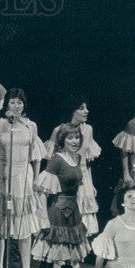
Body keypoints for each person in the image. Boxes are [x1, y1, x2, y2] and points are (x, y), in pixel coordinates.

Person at [0, 88, 45, 268]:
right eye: (13, 102)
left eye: (20, 102)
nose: (16, 106)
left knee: (24, 225)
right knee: (0, 226)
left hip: (23, 175)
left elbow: (36, 154)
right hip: (3, 174)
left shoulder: (30, 125)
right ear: (6, 104)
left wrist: (35, 178)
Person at [32, 125, 93, 268]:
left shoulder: (78, 158)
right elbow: (43, 192)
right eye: (70, 138)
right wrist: (44, 218)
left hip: (73, 206)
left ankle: (75, 264)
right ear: (63, 140)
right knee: (59, 237)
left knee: (74, 235)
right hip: (58, 207)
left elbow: (79, 186)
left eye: (77, 137)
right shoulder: (57, 160)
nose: (74, 141)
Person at [45, 98, 102, 236]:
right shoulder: (59, 130)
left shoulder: (88, 129)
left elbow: (87, 160)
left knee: (83, 220)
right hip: (65, 179)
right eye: (81, 108)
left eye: (86, 108)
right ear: (72, 111)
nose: (86, 111)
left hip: (83, 178)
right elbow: (51, 162)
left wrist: (91, 183)